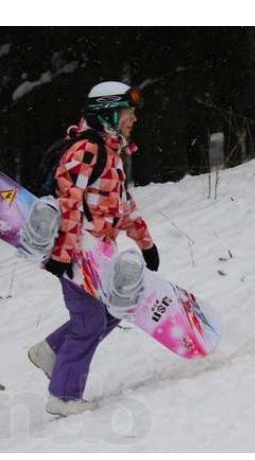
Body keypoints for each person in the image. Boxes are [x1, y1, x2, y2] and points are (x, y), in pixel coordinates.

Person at [27, 81, 160, 416]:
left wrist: (146, 243)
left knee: (115, 308)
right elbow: (69, 202)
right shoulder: (85, 150)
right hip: (76, 249)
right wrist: (61, 255)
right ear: (108, 114)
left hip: (99, 250)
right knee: (89, 322)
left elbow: (121, 205)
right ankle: (63, 396)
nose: (133, 119)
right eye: (128, 112)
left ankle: (52, 350)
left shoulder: (111, 153)